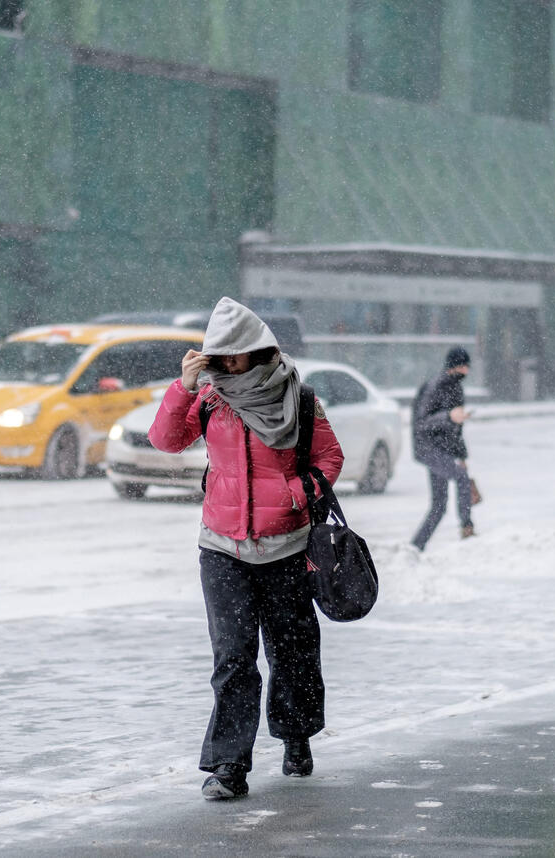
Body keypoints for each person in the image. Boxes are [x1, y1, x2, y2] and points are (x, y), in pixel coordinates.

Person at [149, 297, 344, 801]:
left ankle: (296, 736)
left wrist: (296, 494)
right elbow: (166, 441)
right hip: (222, 548)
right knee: (233, 658)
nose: (227, 363)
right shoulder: (210, 397)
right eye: (219, 354)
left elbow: (329, 456)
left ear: (257, 350)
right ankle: (229, 766)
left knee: (292, 650)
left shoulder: (297, 395)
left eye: (234, 353)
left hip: (286, 547)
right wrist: (183, 386)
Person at [410, 346, 475, 551]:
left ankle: (416, 546)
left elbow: (455, 430)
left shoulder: (456, 388)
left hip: (443, 449)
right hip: (428, 448)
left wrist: (461, 455)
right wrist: (448, 416)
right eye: (464, 366)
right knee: (462, 478)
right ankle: (467, 528)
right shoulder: (435, 387)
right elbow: (421, 423)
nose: (466, 371)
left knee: (439, 505)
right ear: (454, 366)